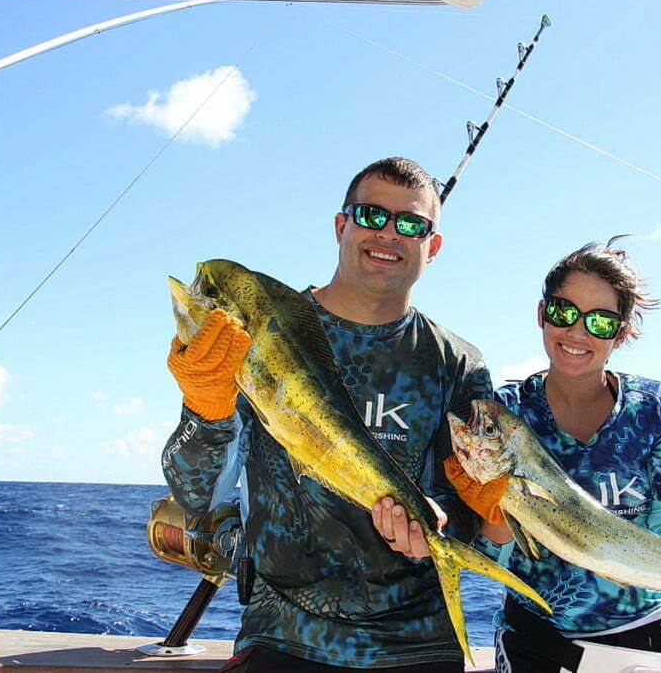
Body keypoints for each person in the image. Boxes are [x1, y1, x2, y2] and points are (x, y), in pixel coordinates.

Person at [162, 158, 491, 671]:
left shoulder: (459, 363)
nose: (388, 233)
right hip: (282, 635)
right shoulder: (255, 334)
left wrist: (444, 524)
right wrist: (205, 407)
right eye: (370, 214)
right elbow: (198, 495)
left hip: (419, 642)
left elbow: (473, 507)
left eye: (412, 223)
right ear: (341, 226)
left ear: (434, 246)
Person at [444, 237, 661, 673]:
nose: (577, 332)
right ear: (542, 314)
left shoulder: (656, 404)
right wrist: (499, 511)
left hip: (648, 635)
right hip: (536, 642)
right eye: (563, 312)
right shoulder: (506, 412)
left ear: (623, 331)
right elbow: (492, 554)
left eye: (600, 321)